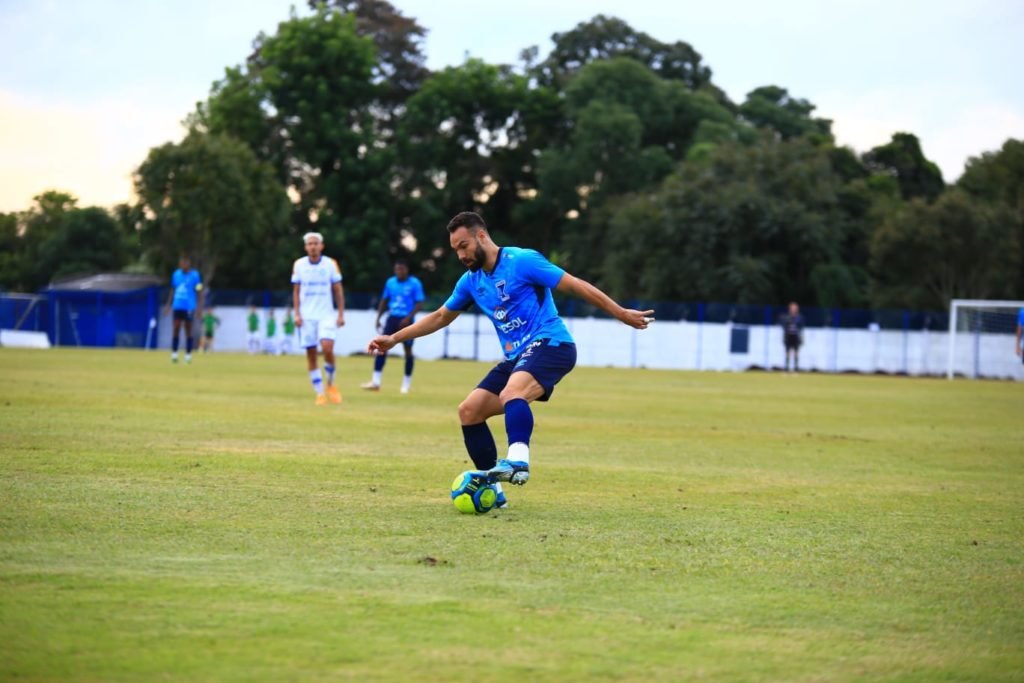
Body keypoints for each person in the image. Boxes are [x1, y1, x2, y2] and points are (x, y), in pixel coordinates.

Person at [367, 211, 653, 507]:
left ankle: (518, 460)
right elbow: (441, 316)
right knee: (469, 411)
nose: (460, 254)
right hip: (517, 356)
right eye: (455, 250)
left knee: (512, 392)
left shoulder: (522, 261)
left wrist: (620, 313)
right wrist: (394, 339)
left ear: (481, 236)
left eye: (463, 246)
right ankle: (494, 492)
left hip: (552, 343)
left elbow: (574, 284)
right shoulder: (470, 281)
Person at [292, 232, 346, 405]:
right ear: (306, 247)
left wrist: (341, 314)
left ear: (321, 246)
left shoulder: (330, 264)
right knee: (312, 355)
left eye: (316, 243)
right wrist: (297, 314)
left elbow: (338, 289)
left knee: (327, 347)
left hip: (326, 315)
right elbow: (296, 291)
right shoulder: (299, 265)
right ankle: (320, 393)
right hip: (307, 317)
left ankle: (331, 384)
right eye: (310, 243)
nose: (313, 246)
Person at [361, 259, 425, 394]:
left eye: (401, 269)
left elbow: (420, 303)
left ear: (407, 270)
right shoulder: (390, 282)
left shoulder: (414, 283)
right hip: (392, 319)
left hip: (406, 320)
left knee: (408, 351)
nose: (399, 272)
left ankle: (406, 385)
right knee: (381, 348)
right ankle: (376, 382)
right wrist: (378, 318)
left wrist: (408, 318)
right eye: (397, 269)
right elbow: (384, 300)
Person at [166, 256, 203, 364]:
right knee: (176, 328)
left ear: (188, 264)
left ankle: (188, 355)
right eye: (181, 263)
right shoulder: (176, 274)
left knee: (188, 330)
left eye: (184, 263)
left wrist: (200, 308)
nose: (182, 265)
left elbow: (199, 290)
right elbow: (173, 289)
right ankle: (174, 354)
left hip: (189, 307)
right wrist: (168, 305)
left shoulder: (195, 275)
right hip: (177, 305)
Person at [780, 301, 804, 373]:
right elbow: (783, 326)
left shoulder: (799, 317)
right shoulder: (786, 317)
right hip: (788, 336)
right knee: (787, 352)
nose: (794, 309)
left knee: (796, 352)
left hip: (796, 337)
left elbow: (801, 327)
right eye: (792, 308)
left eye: (795, 308)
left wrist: (801, 337)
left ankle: (796, 368)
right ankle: (786, 368)